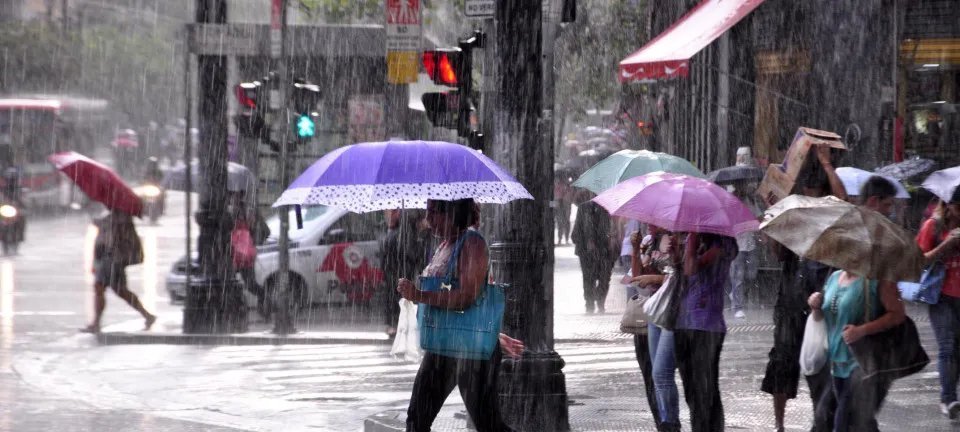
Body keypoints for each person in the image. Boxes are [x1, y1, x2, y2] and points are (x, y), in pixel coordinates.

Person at [397, 199, 517, 432]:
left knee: (488, 424)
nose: (428, 220)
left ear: (452, 213)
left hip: (471, 351)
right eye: (427, 213)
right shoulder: (444, 245)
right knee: (416, 419)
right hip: (443, 346)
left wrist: (419, 295)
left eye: (433, 213)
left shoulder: (472, 243)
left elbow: (466, 297)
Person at [761, 145, 847, 432]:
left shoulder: (830, 217)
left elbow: (842, 198)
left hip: (821, 301)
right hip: (790, 301)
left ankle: (819, 421)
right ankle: (779, 424)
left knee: (820, 365)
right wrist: (774, 219)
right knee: (783, 363)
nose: (811, 199)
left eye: (816, 194)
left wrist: (825, 163)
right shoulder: (793, 214)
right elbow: (777, 252)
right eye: (807, 193)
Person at [807, 269, 905, 431]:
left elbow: (897, 315)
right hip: (837, 364)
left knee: (842, 423)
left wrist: (862, 330)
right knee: (862, 422)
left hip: (862, 365)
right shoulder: (834, 277)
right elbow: (824, 317)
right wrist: (815, 306)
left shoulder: (876, 279)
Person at [674, 232, 737, 432]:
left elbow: (692, 268)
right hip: (683, 322)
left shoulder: (724, 243)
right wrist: (676, 254)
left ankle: (705, 427)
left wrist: (691, 241)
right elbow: (682, 273)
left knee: (705, 387)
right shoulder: (694, 240)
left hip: (707, 324)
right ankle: (704, 426)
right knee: (691, 386)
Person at [631, 226, 681, 432]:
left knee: (662, 372)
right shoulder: (651, 241)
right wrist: (635, 250)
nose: (648, 222)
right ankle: (665, 422)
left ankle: (670, 424)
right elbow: (637, 276)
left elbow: (683, 275)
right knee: (656, 374)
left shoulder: (679, 239)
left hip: (674, 310)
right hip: (654, 311)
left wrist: (656, 279)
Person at [918, 189, 960, 419]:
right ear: (948, 204)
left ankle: (951, 394)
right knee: (947, 346)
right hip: (941, 295)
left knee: (958, 350)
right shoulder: (933, 227)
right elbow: (918, 261)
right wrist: (947, 244)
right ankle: (948, 398)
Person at [81, 211, 156, 333]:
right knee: (115, 290)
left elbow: (116, 236)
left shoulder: (121, 218)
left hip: (112, 260)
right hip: (107, 259)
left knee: (109, 290)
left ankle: (96, 324)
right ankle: (147, 316)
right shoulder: (113, 216)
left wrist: (101, 223)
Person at [379, 209, 428, 337]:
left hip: (398, 267)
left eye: (393, 211)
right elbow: (413, 254)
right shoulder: (401, 233)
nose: (389, 214)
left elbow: (412, 253)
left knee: (397, 294)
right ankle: (397, 323)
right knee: (397, 294)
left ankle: (397, 323)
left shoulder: (403, 232)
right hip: (398, 267)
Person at [571, 198, 618, 313]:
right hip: (587, 253)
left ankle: (600, 301)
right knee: (588, 279)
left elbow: (614, 230)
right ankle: (590, 304)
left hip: (605, 251)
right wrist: (587, 242)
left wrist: (611, 238)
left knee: (604, 278)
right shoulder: (583, 208)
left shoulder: (609, 209)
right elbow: (576, 232)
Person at [230, 192, 270, 321]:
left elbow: (263, 230)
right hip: (241, 254)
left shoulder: (244, 211)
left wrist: (248, 237)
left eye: (234, 195)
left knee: (243, 283)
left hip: (240, 254)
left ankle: (259, 303)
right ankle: (261, 303)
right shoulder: (246, 210)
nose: (233, 198)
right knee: (245, 283)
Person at [728, 180, 762, 319]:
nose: (744, 188)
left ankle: (735, 294)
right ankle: (738, 307)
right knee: (739, 276)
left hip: (750, 243)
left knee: (751, 274)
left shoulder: (750, 200)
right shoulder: (730, 202)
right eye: (742, 185)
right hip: (736, 245)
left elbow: (758, 217)